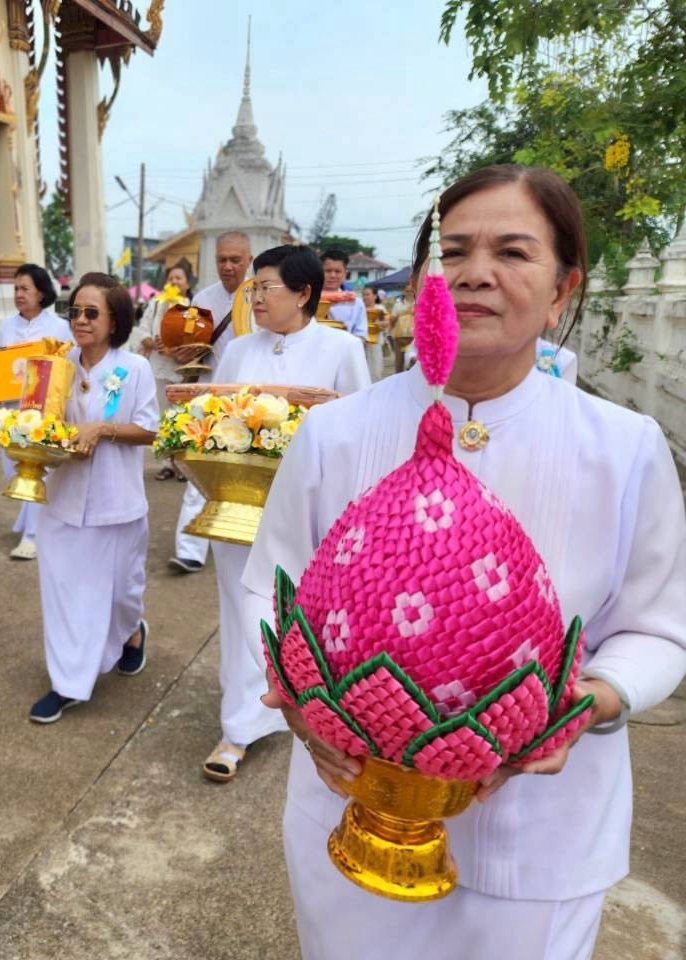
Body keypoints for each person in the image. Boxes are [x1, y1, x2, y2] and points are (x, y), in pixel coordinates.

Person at [243, 165, 686, 959]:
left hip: (540, 838)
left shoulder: (623, 450)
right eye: (452, 251)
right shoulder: (335, 435)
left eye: (513, 252)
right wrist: (296, 703)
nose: (475, 271)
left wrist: (593, 699)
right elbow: (268, 595)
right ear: (422, 281)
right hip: (350, 806)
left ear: (561, 290)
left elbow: (658, 630)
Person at [201, 244, 370, 783]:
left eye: (265, 287)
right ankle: (238, 727)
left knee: (305, 615)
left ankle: (312, 708)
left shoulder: (340, 347)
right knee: (239, 611)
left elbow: (362, 428)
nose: (254, 297)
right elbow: (210, 419)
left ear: (303, 293)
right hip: (241, 502)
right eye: (252, 288)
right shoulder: (238, 350)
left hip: (309, 509)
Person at [29, 272, 160, 723]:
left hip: (117, 502)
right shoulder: (58, 364)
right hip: (64, 500)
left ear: (115, 319)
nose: (80, 320)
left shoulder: (134, 369)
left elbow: (149, 430)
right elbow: (38, 419)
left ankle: (132, 632)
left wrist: (101, 428)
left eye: (91, 313)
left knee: (124, 593)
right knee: (66, 596)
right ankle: (67, 682)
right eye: (75, 311)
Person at [169, 232, 251, 573]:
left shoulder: (260, 296)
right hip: (209, 394)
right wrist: (184, 352)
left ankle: (248, 543)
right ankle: (190, 548)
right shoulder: (202, 299)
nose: (227, 266)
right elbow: (185, 349)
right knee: (200, 470)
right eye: (221, 259)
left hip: (253, 399)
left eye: (235, 259)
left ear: (249, 259)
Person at [0, 263, 72, 560]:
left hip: (43, 410)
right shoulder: (6, 326)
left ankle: (32, 536)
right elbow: (0, 365)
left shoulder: (59, 328)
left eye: (24, 288)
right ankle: (29, 522)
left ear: (41, 292)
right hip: (13, 409)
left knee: (35, 468)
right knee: (13, 468)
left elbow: (67, 367)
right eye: (16, 288)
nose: (18, 294)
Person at [133, 259, 195, 480]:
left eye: (179, 278)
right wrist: (153, 344)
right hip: (159, 370)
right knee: (162, 417)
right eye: (171, 278)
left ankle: (182, 464)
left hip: (183, 370)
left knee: (182, 417)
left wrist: (177, 351)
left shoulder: (192, 306)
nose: (174, 281)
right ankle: (167, 463)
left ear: (187, 283)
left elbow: (196, 337)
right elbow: (142, 330)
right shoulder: (156, 304)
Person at [320, 249, 368, 340]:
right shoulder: (307, 299)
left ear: (345, 274)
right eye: (328, 271)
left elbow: (361, 336)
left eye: (337, 271)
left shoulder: (356, 303)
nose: (332, 275)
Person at [360, 285, 388, 381]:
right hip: (360, 342)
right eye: (363, 295)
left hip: (375, 342)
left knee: (375, 370)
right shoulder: (359, 307)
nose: (365, 297)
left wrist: (378, 324)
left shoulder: (380, 308)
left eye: (368, 294)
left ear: (375, 296)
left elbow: (386, 323)